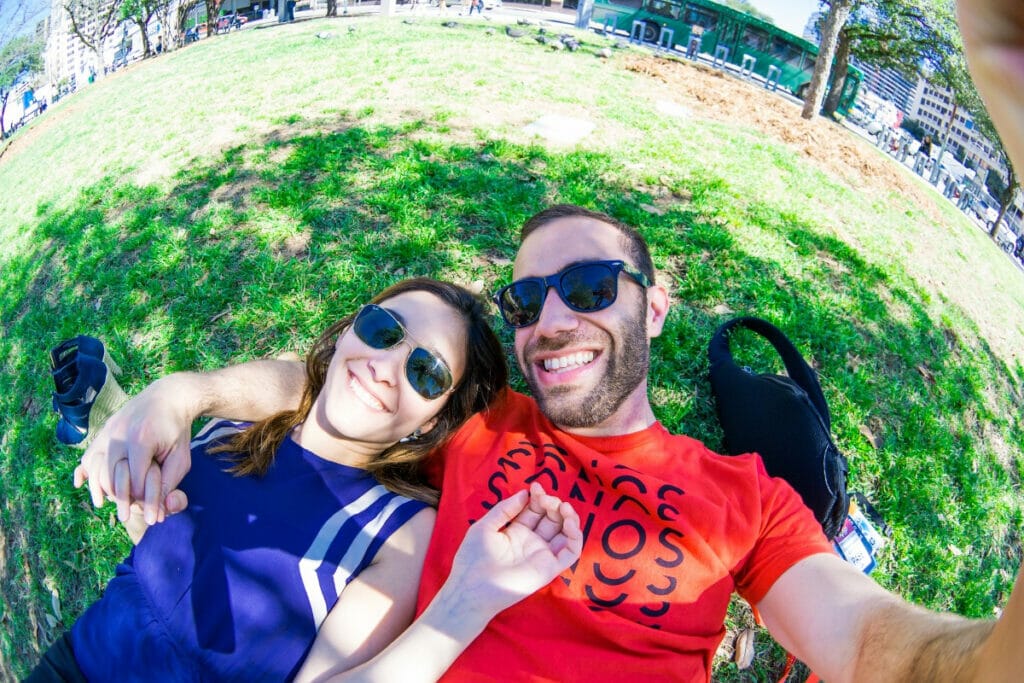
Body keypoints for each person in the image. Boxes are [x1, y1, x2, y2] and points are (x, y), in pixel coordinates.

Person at [75, 0, 1024, 679]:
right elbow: (323, 379)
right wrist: (185, 390)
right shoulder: (485, 421)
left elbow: (867, 646)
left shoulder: (746, 501)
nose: (553, 320)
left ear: (653, 305)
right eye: (527, 300)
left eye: (589, 287)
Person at [33, 278, 585, 681]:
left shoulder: (400, 530)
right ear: (350, 330)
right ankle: (105, 414)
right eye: (381, 330)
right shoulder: (247, 414)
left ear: (435, 419)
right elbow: (161, 566)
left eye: (426, 372)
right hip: (74, 660)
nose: (384, 364)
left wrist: (468, 600)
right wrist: (143, 474)